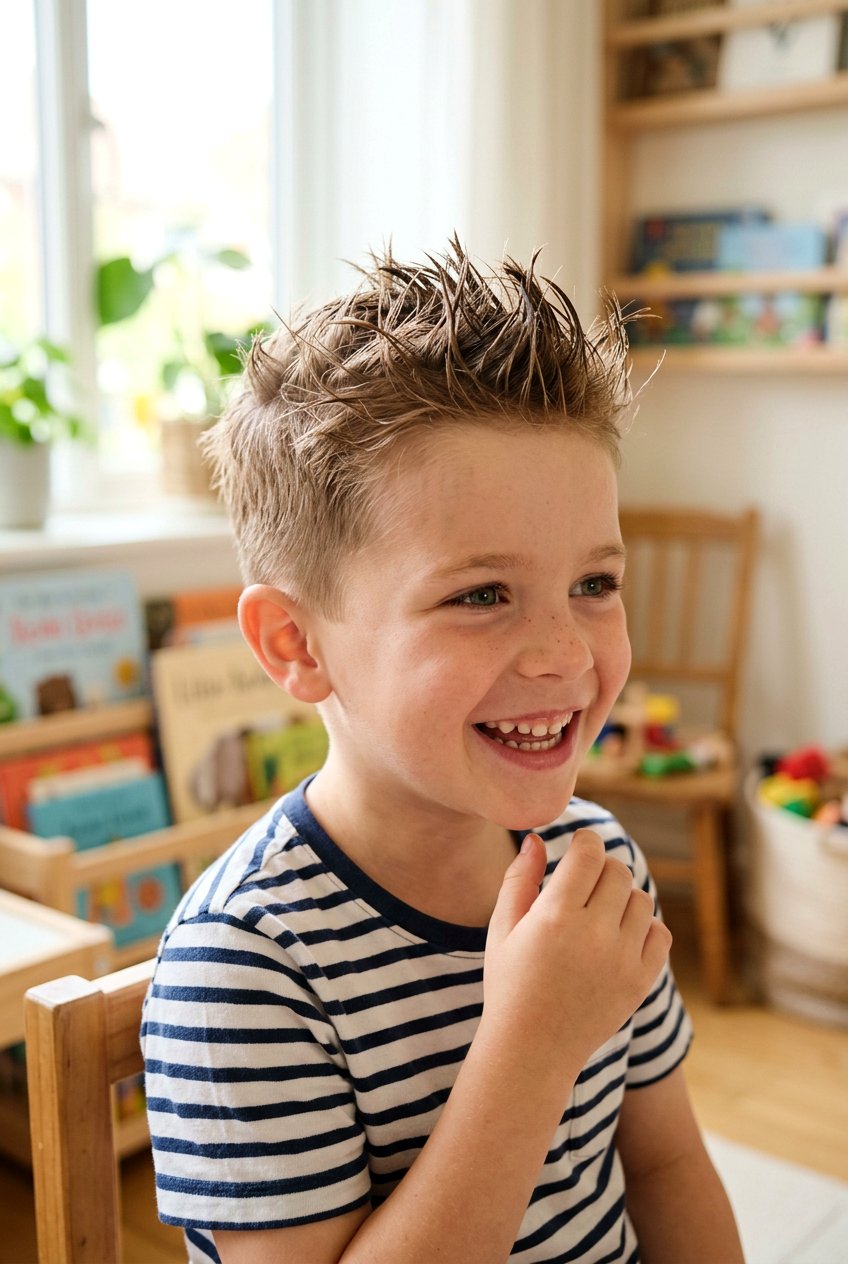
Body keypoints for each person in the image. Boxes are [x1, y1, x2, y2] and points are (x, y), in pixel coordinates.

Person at [141, 241, 744, 1264]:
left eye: (593, 583)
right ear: (297, 645)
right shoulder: (242, 967)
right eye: (478, 595)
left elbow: (667, 1166)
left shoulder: (593, 867)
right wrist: (531, 1044)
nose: (563, 654)